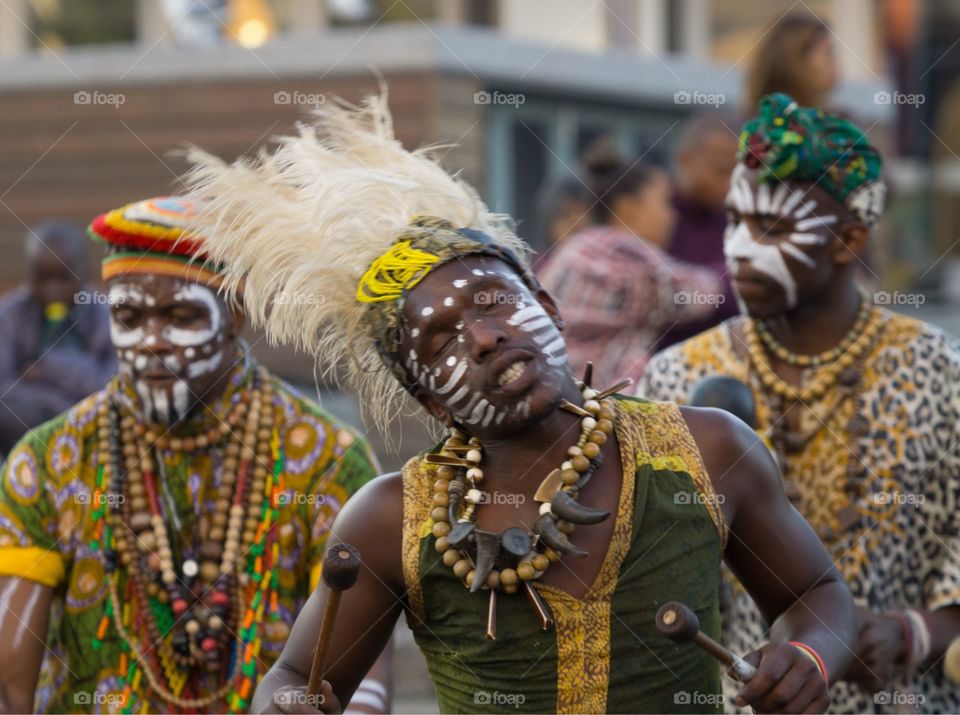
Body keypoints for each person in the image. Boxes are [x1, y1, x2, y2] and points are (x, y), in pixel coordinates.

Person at [183, 94, 856, 715]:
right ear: (429, 399)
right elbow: (295, 676)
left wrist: (807, 655)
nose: (483, 336)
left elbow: (815, 594)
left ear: (550, 307)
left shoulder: (708, 450)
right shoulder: (391, 519)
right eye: (441, 338)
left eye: (496, 302)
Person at [0, 197, 390, 713]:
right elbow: (9, 682)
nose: (153, 341)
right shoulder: (49, 461)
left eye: (180, 315)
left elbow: (360, 678)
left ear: (234, 315)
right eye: (129, 316)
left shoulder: (326, 460)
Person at [640, 94, 960, 713]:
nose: (738, 250)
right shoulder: (676, 379)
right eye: (735, 221)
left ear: (849, 240)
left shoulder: (939, 374)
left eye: (772, 228)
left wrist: (908, 634)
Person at [539, 150, 722, 388]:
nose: (672, 217)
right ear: (629, 207)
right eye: (664, 203)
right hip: (592, 406)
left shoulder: (581, 245)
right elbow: (695, 295)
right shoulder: (619, 252)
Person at [0, 221, 115, 455]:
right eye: (41, 278)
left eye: (63, 278)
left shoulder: (105, 315)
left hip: (93, 429)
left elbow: (111, 386)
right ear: (27, 274)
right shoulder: (11, 315)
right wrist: (61, 409)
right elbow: (4, 388)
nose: (52, 289)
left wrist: (47, 368)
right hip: (25, 431)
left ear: (86, 273)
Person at [659, 114, 740, 349]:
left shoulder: (742, 222)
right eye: (721, 171)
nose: (731, 184)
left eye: (738, 173)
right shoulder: (658, 216)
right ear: (685, 161)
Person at [743, 13, 838, 113]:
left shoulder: (834, 119)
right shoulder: (757, 124)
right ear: (799, 60)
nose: (836, 61)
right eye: (829, 52)